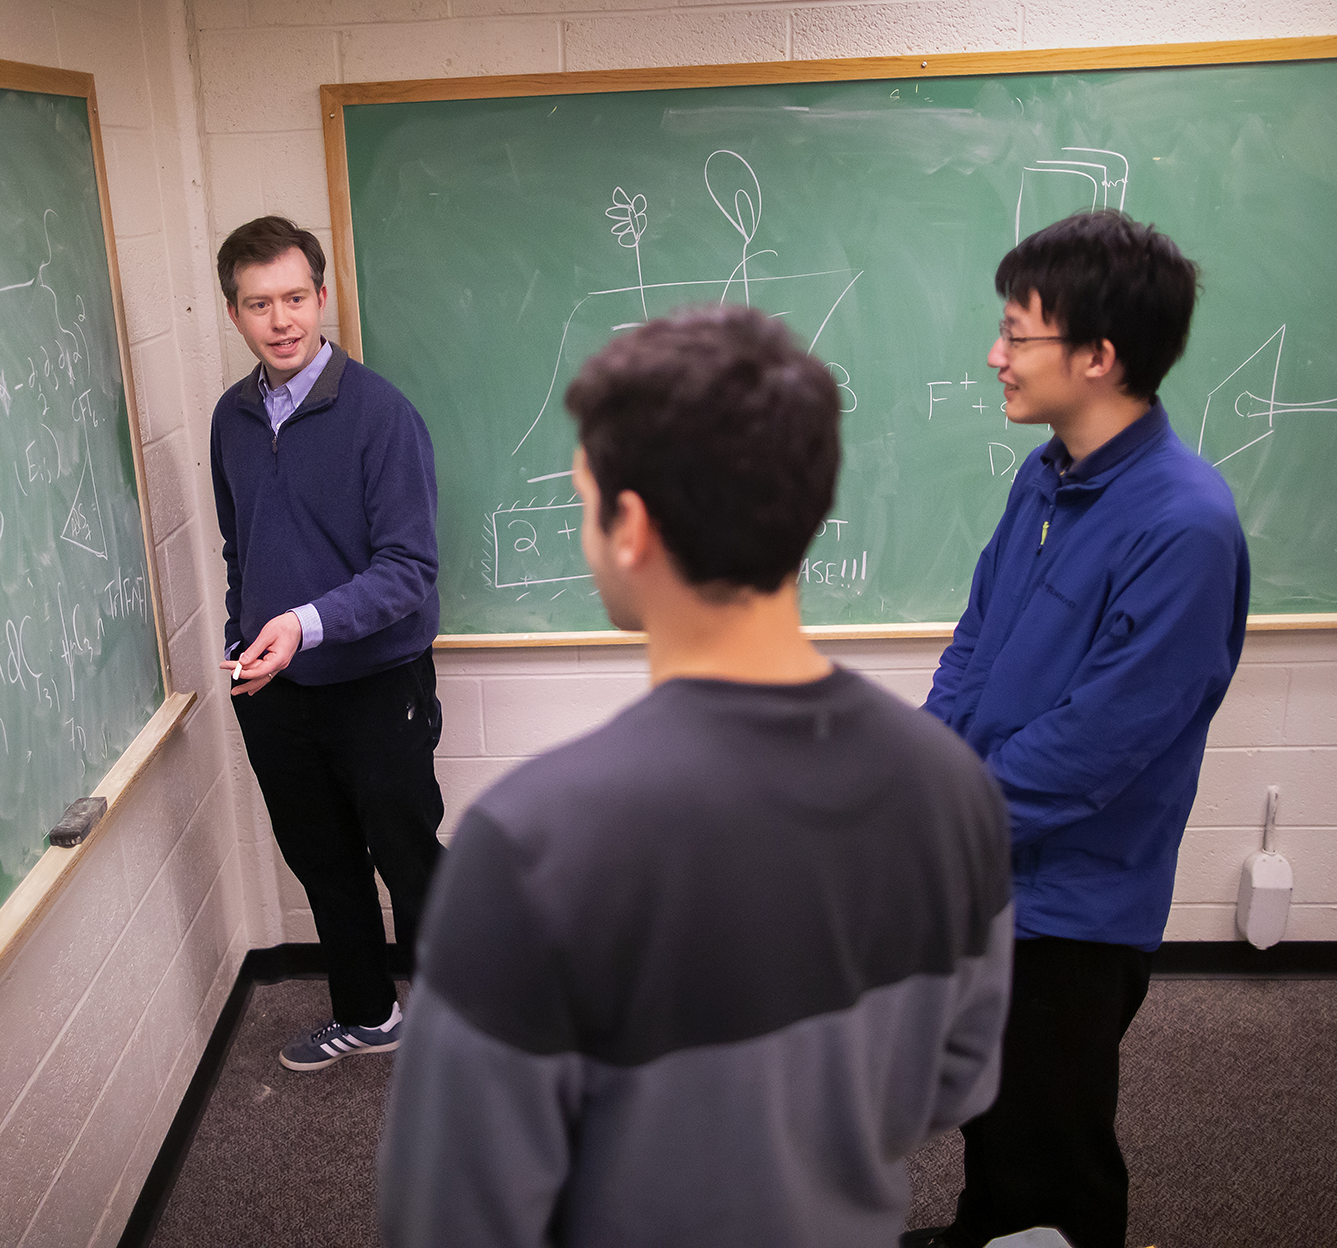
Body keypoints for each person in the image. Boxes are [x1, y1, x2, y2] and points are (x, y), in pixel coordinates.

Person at [377, 305, 1014, 1247]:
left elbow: (448, 1216)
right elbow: (958, 1078)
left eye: (584, 493)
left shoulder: (531, 843)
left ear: (629, 526)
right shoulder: (952, 785)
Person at [907, 211, 1251, 1248]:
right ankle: (986, 1228)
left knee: (1053, 1144)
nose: (993, 354)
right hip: (992, 864)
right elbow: (975, 639)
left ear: (1097, 357)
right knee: (998, 1107)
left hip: (1071, 898)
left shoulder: (1182, 523)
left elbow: (1097, 745)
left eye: (1017, 335)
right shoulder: (1046, 475)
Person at [208, 215, 445, 1071]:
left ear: (321, 297)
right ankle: (369, 1012)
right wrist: (245, 641)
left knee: (408, 856)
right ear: (233, 312)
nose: (282, 320)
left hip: (377, 681)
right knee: (324, 860)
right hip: (273, 690)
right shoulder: (231, 418)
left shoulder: (380, 414)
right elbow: (242, 545)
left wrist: (303, 625)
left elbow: (409, 567)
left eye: (296, 298)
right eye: (259, 303)